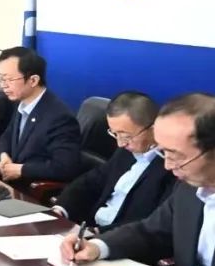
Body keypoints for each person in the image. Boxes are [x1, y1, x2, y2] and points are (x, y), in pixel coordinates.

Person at [61, 93, 215, 266]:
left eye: (175, 155)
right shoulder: (190, 188)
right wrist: (97, 246)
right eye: (163, 152)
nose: (167, 165)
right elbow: (151, 231)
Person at [53, 91, 177, 231]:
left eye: (126, 136)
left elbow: (151, 222)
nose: (120, 143)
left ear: (154, 129)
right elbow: (90, 182)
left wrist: (98, 235)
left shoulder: (172, 167)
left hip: (121, 238)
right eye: (114, 134)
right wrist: (60, 209)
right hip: (89, 227)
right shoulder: (126, 151)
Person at [0, 47, 82, 184]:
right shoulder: (20, 102)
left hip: (33, 190)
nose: (3, 85)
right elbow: (6, 136)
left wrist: (21, 170)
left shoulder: (60, 117)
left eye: (9, 79)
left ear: (33, 80)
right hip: (11, 184)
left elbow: (64, 167)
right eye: (1, 78)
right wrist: (4, 155)